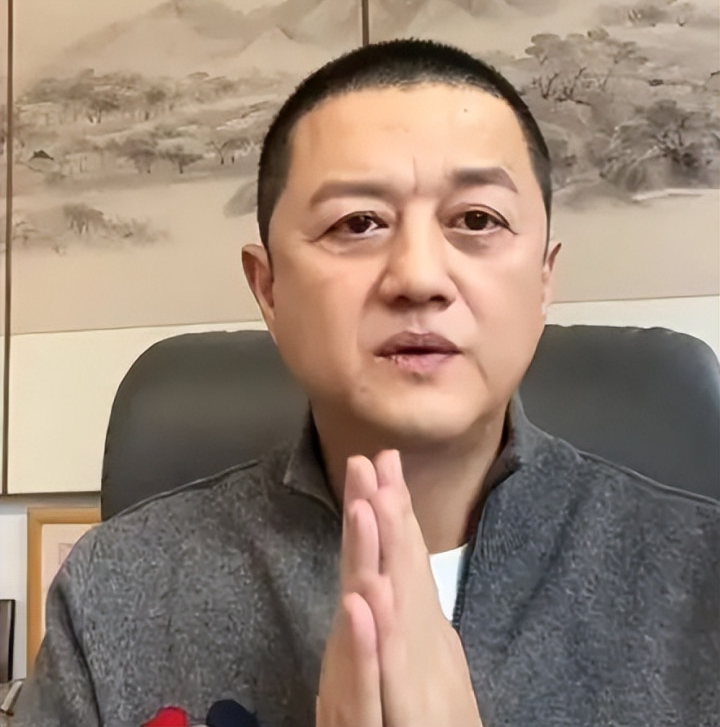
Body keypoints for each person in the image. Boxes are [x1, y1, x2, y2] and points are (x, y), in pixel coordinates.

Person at [16, 39, 719, 727]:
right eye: (358, 223)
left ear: (543, 279)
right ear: (269, 288)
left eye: (477, 219)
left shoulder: (700, 577)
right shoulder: (118, 588)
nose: (418, 277)